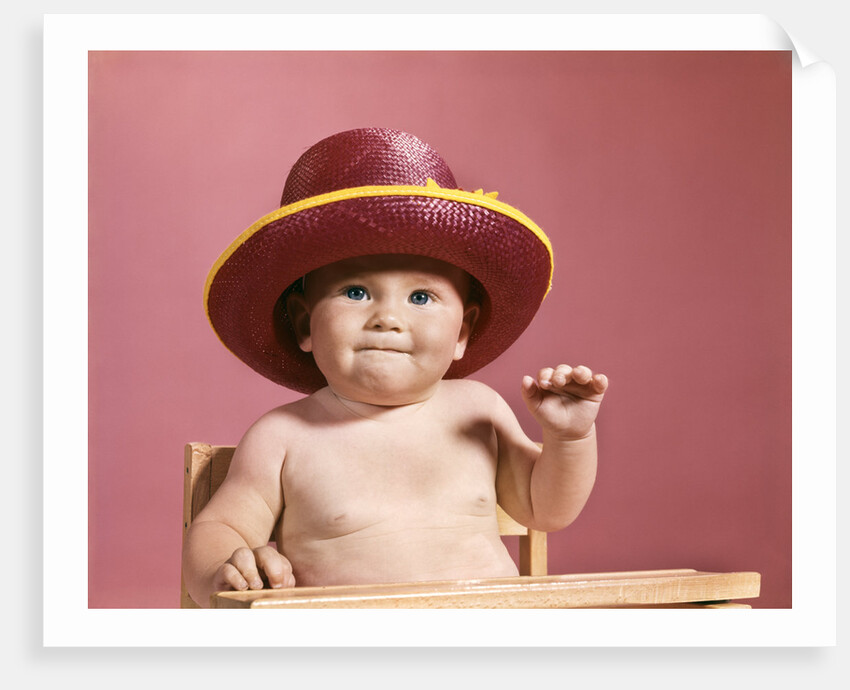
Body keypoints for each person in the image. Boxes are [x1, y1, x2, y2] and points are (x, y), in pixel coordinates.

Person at [183, 128, 608, 606]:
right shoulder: (284, 435)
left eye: (421, 297)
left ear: (462, 332)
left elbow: (545, 508)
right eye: (356, 292)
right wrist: (225, 570)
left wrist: (569, 440)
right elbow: (221, 527)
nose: (387, 318)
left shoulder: (478, 411)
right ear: (304, 323)